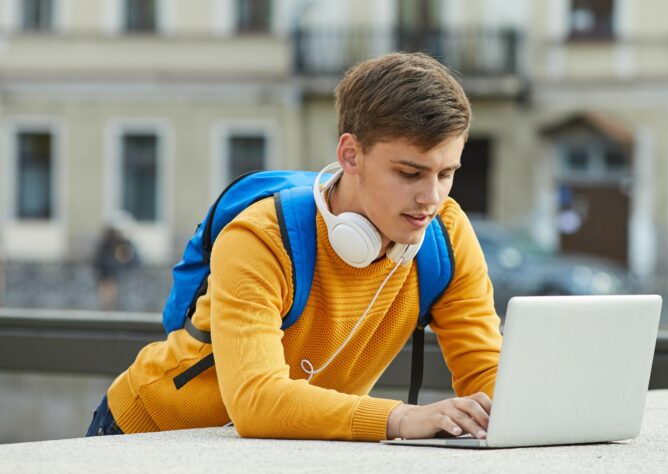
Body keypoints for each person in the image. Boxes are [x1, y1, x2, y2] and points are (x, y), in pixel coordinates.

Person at [86, 52, 502, 440]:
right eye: (410, 173)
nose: (431, 197)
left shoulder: (446, 233)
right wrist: (400, 418)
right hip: (150, 434)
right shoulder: (261, 237)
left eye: (446, 173)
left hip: (290, 441)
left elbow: (486, 370)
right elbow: (255, 400)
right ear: (351, 155)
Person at [94, 217, 139, 311]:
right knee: (108, 301)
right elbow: (99, 262)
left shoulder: (127, 245)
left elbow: (135, 261)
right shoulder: (105, 246)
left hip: (123, 278)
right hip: (107, 278)